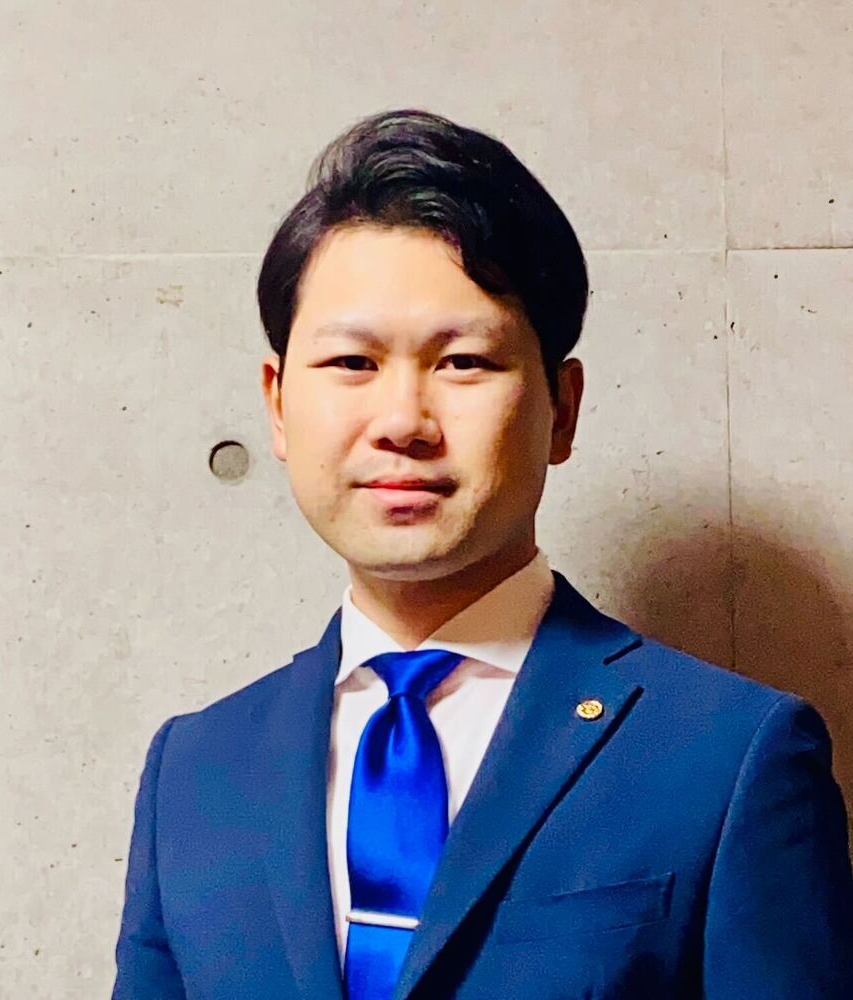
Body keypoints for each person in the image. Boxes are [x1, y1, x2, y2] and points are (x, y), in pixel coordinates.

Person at [111, 108, 853, 999]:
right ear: (277, 405)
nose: (402, 422)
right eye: (351, 363)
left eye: (463, 362)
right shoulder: (195, 772)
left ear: (562, 409)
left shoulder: (728, 756)